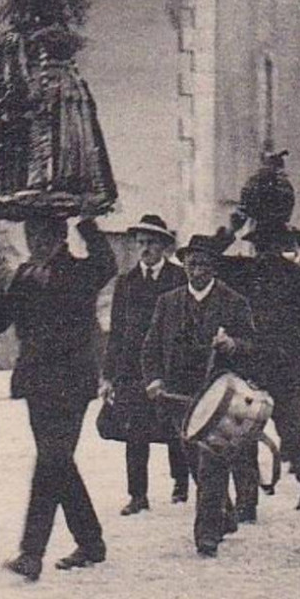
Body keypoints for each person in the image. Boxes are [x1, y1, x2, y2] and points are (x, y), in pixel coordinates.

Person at [0, 210, 116, 582]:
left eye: (43, 236)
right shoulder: (21, 276)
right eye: (31, 236)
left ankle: (32, 553)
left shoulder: (79, 271)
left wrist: (86, 220)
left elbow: (107, 263)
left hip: (71, 382)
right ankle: (91, 542)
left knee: (52, 460)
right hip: (37, 383)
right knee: (58, 463)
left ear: (60, 237)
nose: (35, 243)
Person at [141, 233, 257, 556]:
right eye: (192, 263)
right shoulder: (168, 302)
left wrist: (233, 344)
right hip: (179, 397)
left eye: (205, 263)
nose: (198, 270)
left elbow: (252, 347)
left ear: (214, 267)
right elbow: (150, 347)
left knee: (211, 461)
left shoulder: (234, 302)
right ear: (184, 264)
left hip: (218, 396)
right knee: (193, 458)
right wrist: (153, 379)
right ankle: (225, 512)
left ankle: (206, 532)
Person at [212, 215, 300, 512]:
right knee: (242, 431)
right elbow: (205, 260)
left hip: (287, 365)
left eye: (269, 247)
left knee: (293, 431)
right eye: (259, 247)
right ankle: (248, 501)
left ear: (281, 247)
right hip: (251, 363)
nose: (264, 253)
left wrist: (296, 345)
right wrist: (229, 231)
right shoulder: (243, 272)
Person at [99, 214, 187, 513]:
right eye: (140, 243)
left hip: (170, 365)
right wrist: (108, 375)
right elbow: (117, 331)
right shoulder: (127, 282)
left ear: (164, 246)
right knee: (135, 430)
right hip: (133, 368)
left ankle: (181, 481)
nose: (145, 249)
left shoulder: (179, 278)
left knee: (176, 425)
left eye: (151, 242)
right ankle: (138, 495)